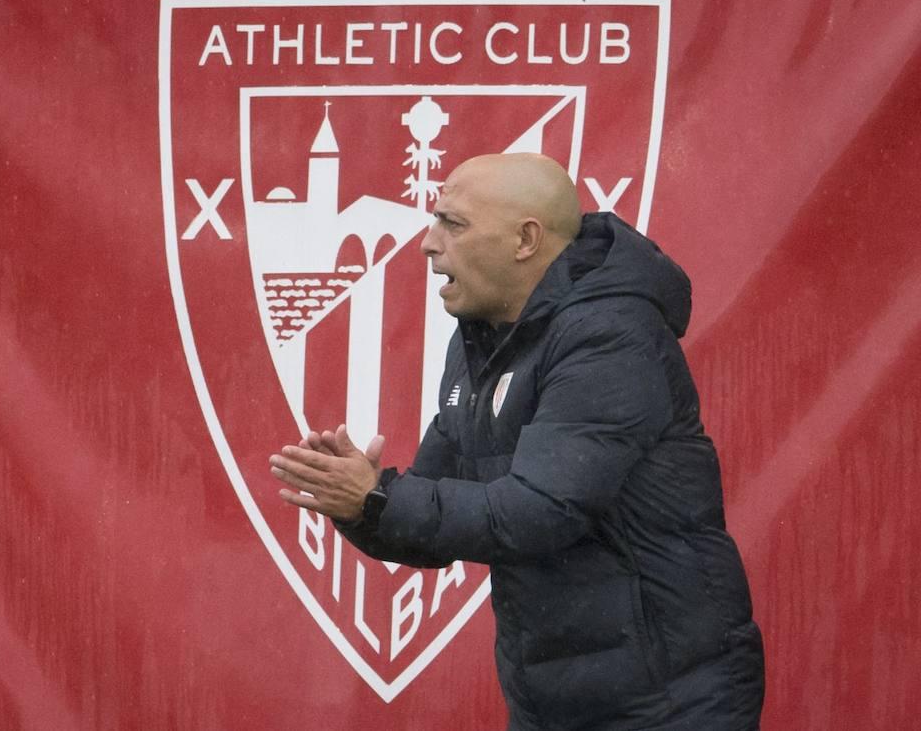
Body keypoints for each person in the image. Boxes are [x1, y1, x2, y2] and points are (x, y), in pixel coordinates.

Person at [269, 153, 765, 730]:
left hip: (667, 701)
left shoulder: (610, 334)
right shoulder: (479, 340)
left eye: (452, 224)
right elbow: (435, 519)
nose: (428, 244)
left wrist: (379, 497)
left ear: (526, 239)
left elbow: (540, 512)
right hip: (551, 700)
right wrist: (361, 506)